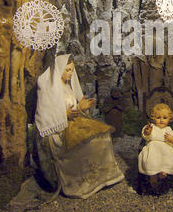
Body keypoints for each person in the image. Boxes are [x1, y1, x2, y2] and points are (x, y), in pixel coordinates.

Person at [35, 54, 124, 199]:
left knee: (103, 136)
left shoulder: (68, 87)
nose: (70, 74)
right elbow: (47, 114)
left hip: (73, 123)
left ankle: (104, 176)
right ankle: (82, 183)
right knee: (89, 144)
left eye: (71, 70)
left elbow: (73, 109)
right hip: (59, 130)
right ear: (59, 70)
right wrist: (65, 115)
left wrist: (81, 108)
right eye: (67, 70)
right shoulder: (50, 89)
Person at [138, 103, 173, 189]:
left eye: (164, 118)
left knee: (168, 156)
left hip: (165, 148)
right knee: (152, 158)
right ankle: (153, 176)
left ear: (169, 119)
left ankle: (163, 170)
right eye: (158, 117)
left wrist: (172, 140)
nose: (161, 120)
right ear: (153, 118)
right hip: (153, 148)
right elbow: (146, 136)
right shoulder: (152, 127)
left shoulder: (169, 130)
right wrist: (147, 132)